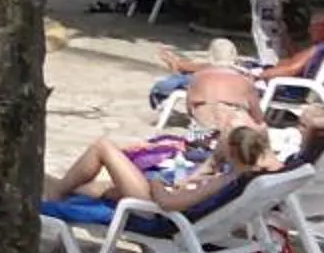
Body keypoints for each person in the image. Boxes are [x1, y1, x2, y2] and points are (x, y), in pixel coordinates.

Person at [48, 123, 276, 217]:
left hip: (155, 210)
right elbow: (191, 192)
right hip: (165, 202)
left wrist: (156, 182)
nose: (217, 145)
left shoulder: (225, 180)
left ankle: (55, 197)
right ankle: (59, 204)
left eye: (222, 143)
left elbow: (169, 204)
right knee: (95, 189)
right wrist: (207, 168)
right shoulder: (244, 173)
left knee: (103, 147)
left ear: (234, 150)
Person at [148, 37, 267, 132]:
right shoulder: (245, 80)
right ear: (234, 56)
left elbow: (190, 109)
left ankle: (177, 64)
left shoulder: (197, 78)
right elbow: (257, 116)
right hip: (232, 133)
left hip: (202, 131)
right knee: (260, 128)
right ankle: (178, 64)